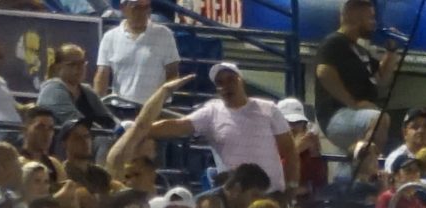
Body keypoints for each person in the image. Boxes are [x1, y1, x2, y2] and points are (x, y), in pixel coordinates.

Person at [149, 63, 293, 195]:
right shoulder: (211, 112)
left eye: (231, 80)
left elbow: (289, 150)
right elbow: (178, 126)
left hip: (271, 194)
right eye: (220, 83)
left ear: (240, 80)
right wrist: (139, 129)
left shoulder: (269, 109)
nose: (226, 86)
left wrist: (291, 188)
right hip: (234, 198)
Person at [313, 0, 394, 149]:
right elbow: (324, 72)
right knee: (379, 120)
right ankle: (367, 162)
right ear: (353, 14)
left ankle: (359, 163)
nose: (374, 23)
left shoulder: (360, 50)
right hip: (337, 114)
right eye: (371, 17)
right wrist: (353, 103)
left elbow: (382, 79)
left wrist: (391, 52)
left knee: (379, 119)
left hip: (355, 114)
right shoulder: (334, 42)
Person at [95, 0, 180, 105]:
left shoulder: (165, 35)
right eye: (137, 7)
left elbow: (173, 73)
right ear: (123, 8)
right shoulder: (110, 37)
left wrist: (159, 101)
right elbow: (102, 75)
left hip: (154, 110)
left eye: (146, 8)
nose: (142, 12)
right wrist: (98, 108)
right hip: (120, 107)